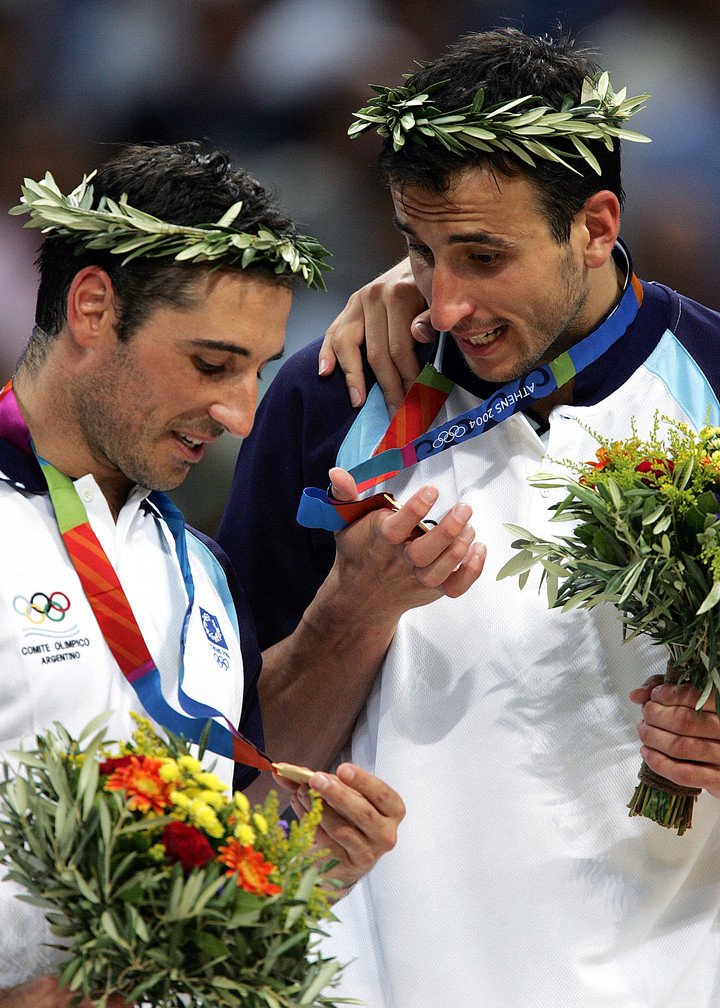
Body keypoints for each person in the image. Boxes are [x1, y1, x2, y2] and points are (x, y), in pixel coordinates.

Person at [218, 29, 720, 1008]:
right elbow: (239, 779)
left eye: (484, 256)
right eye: (417, 248)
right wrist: (351, 612)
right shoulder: (335, 399)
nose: (444, 304)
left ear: (595, 222)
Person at [0, 142, 485, 1007]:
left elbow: (197, 873)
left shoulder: (201, 577)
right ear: (91, 306)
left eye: (260, 370)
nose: (242, 415)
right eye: (212, 364)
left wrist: (294, 866)